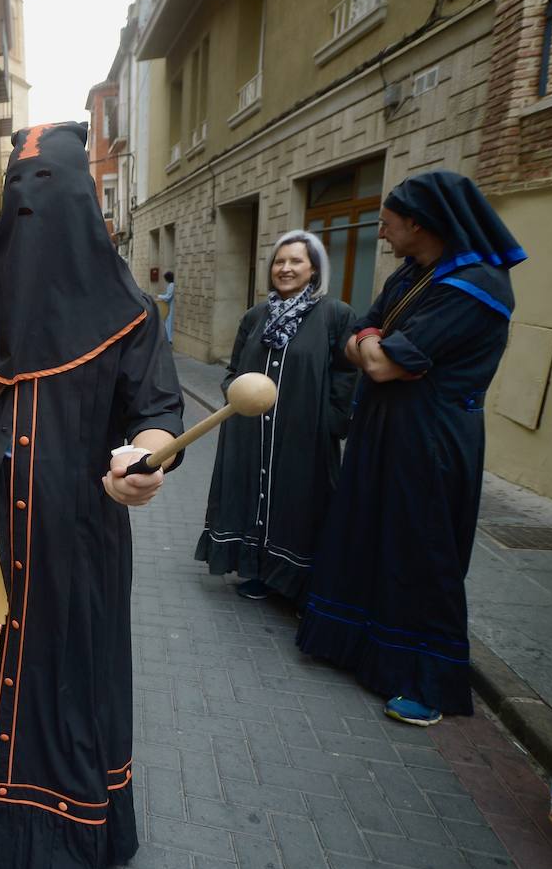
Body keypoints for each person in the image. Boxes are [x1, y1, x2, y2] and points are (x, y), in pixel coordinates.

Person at [0, 122, 184, 869]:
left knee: (68, 679)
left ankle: (67, 833)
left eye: (48, 201)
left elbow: (156, 414)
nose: (31, 219)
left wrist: (143, 459)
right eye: (16, 203)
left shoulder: (131, 310)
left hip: (78, 541)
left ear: (86, 207)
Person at [297, 170, 523, 727]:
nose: (382, 231)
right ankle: (356, 648)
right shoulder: (412, 275)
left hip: (433, 439)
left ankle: (426, 684)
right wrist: (372, 347)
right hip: (385, 429)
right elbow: (364, 339)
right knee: (368, 533)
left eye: (389, 222)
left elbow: (377, 358)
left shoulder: (477, 286)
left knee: (422, 553)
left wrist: (372, 348)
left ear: (419, 223)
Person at [196, 231, 357, 602]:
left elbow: (346, 374)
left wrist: (330, 421)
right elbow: (234, 368)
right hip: (250, 430)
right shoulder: (256, 316)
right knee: (252, 496)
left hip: (304, 432)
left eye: (295, 261)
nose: (285, 269)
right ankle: (258, 572)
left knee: (303, 501)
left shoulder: (334, 314)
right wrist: (235, 396)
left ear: (315, 268)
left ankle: (303, 585)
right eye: (279, 262)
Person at [157, 271, 176, 344]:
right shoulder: (172, 285)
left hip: (170, 306)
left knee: (169, 322)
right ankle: (168, 338)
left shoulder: (171, 285)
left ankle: (169, 339)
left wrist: (159, 296)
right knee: (168, 322)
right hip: (170, 305)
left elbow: (168, 297)